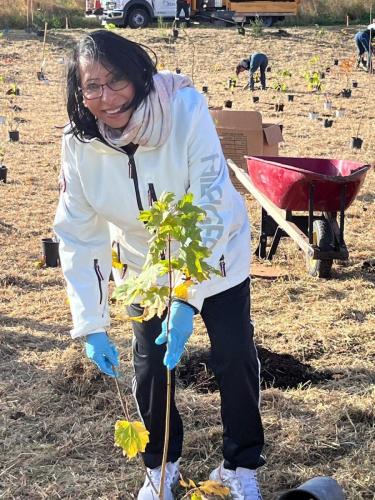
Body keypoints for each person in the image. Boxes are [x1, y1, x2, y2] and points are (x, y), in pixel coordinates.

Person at [54, 29, 264, 500]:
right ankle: (161, 465)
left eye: (116, 81)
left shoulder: (183, 109)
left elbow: (209, 202)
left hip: (215, 256)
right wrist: (90, 324)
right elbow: (77, 231)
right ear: (78, 91)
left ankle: (241, 465)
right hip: (140, 267)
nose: (106, 98)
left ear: (139, 76)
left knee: (232, 357)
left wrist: (187, 295)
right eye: (91, 86)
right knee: (150, 368)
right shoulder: (78, 141)